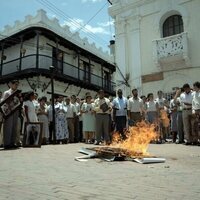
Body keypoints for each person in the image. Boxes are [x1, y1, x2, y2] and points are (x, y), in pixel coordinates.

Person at [1, 80, 20, 149]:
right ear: (11, 84)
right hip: (8, 112)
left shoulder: (17, 93)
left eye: (17, 84)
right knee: (8, 127)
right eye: (15, 84)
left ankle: (12, 142)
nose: (16, 86)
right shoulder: (7, 92)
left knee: (14, 127)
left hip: (15, 111)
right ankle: (7, 143)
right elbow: (3, 103)